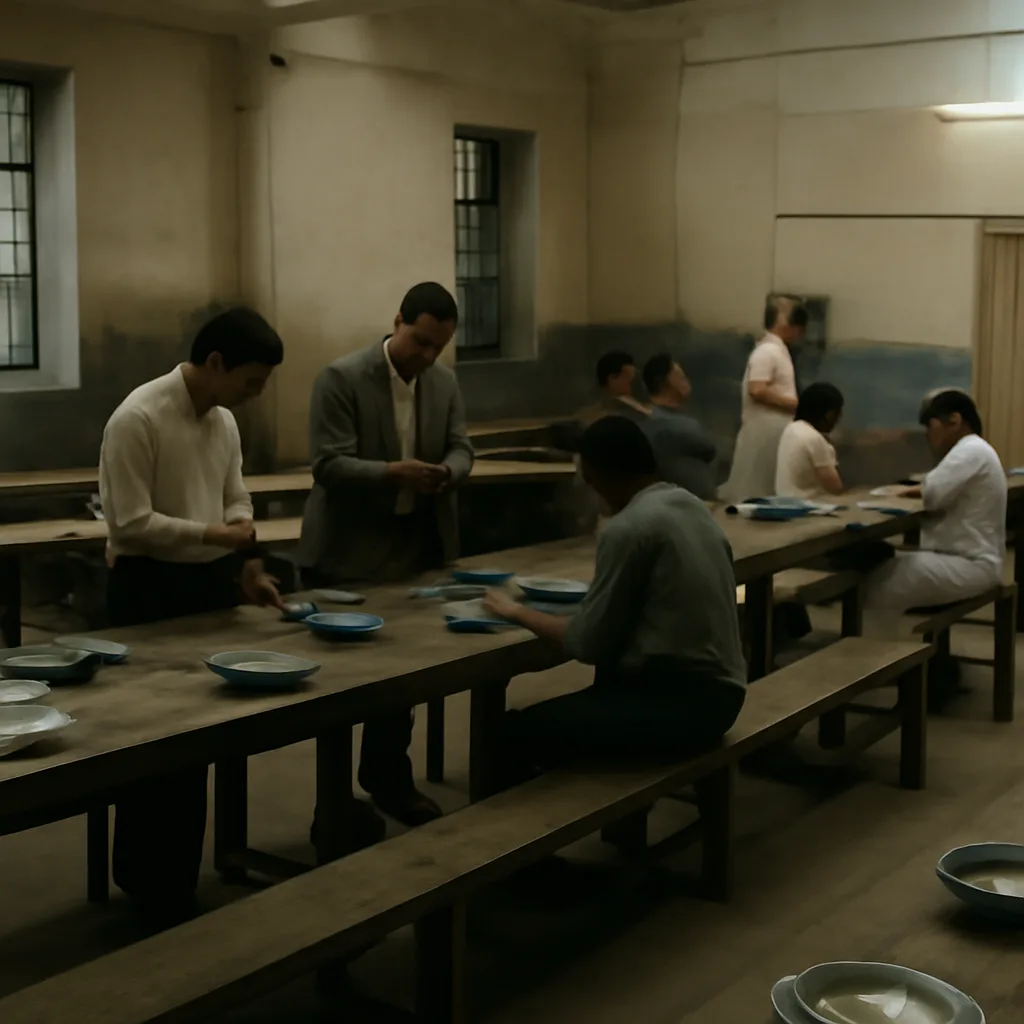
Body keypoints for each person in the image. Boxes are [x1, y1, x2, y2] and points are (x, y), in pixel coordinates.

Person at [99, 306, 286, 929]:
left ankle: (178, 882)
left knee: (199, 741)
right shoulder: (138, 417)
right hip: (146, 591)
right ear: (215, 363)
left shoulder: (223, 420)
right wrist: (214, 534)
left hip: (206, 585)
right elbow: (128, 522)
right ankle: (142, 884)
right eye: (250, 382)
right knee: (150, 743)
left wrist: (247, 560)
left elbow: (236, 495)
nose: (254, 396)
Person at [296, 282, 474, 833]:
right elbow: (327, 464)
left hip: (415, 544)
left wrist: (449, 471)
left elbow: (462, 446)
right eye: (419, 342)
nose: (426, 356)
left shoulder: (442, 383)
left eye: (437, 348)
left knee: (405, 676)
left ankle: (387, 776)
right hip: (350, 549)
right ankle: (334, 801)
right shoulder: (342, 378)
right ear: (397, 321)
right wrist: (392, 472)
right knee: (348, 682)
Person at [483, 417, 746, 775]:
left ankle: (531, 827)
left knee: (510, 733)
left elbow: (588, 643)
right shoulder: (691, 506)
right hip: (727, 694)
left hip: (683, 706)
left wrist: (515, 612)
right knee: (603, 688)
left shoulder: (628, 527)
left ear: (595, 473)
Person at [864, 390, 1006, 613]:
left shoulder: (970, 450)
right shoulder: (975, 450)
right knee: (885, 567)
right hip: (967, 559)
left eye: (930, 426)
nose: (928, 435)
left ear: (954, 421)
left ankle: (874, 645)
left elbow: (933, 494)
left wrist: (916, 489)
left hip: (971, 564)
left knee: (890, 581)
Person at [720, 296, 807, 501]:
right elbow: (757, 389)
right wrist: (799, 406)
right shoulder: (767, 351)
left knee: (768, 490)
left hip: (773, 433)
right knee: (754, 493)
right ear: (787, 324)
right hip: (763, 434)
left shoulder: (777, 350)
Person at [641, 352, 718, 500]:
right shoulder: (659, 421)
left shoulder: (677, 418)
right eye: (681, 377)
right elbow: (708, 447)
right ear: (662, 382)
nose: (687, 382)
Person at [775, 382, 845, 500]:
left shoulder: (790, 429)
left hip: (784, 500)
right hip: (811, 506)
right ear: (829, 414)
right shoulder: (814, 438)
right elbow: (835, 488)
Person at [577, 351, 650, 428]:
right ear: (612, 378)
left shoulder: (643, 413)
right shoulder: (587, 417)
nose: (632, 385)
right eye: (629, 380)